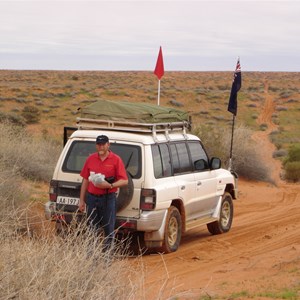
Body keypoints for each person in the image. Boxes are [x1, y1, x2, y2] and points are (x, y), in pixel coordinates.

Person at [79, 134, 128, 250]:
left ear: (108, 145)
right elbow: (85, 180)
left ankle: (107, 259)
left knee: (108, 229)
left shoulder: (116, 160)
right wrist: (81, 200)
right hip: (91, 198)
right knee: (91, 228)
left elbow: (125, 180)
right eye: (98, 144)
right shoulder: (90, 159)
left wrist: (110, 185)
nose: (100, 147)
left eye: (103, 144)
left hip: (108, 198)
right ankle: (91, 257)